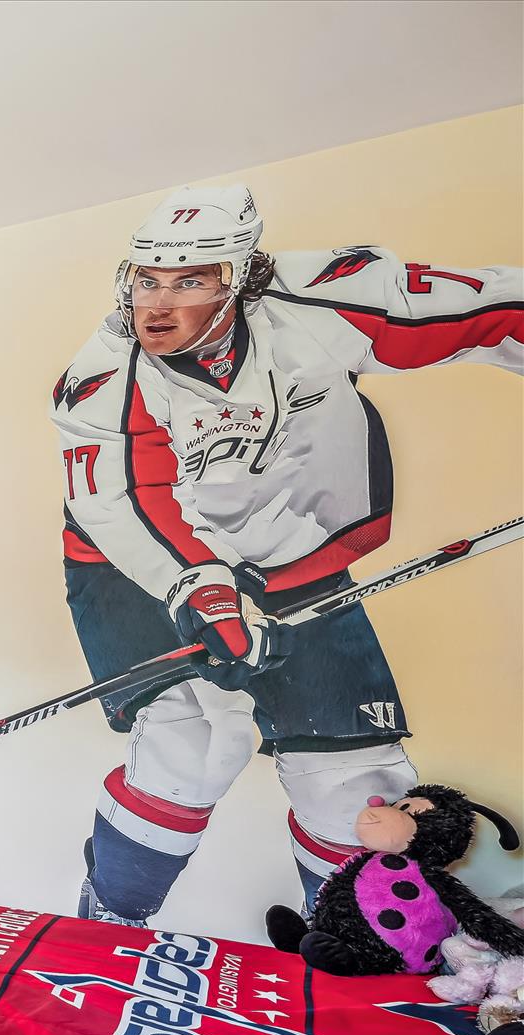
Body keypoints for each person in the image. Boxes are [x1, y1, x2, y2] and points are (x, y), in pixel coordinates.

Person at [50, 183, 520, 925]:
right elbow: (124, 502)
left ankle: (348, 949)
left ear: (240, 277)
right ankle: (110, 920)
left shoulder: (327, 299)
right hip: (134, 569)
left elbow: (487, 311)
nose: (158, 306)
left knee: (354, 774)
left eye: (191, 281)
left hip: (292, 556)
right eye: (148, 280)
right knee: (199, 743)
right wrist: (205, 593)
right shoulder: (102, 379)